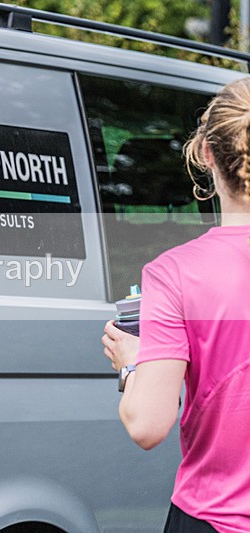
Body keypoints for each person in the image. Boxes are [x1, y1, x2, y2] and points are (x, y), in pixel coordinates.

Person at [101, 78, 250, 533]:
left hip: (215, 517)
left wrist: (133, 364)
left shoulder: (175, 274)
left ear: (206, 154)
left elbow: (148, 424)